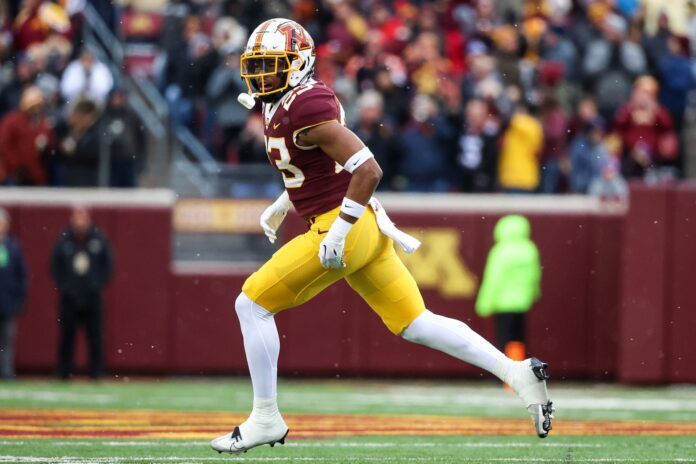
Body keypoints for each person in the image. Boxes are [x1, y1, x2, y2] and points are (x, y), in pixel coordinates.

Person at [210, 19, 554, 455]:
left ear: (298, 66)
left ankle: (265, 418)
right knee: (416, 323)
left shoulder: (304, 106)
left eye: (272, 66)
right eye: (257, 65)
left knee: (252, 304)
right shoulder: (286, 102)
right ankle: (516, 373)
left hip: (345, 227)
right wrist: (284, 203)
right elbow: (316, 167)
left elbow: (368, 169)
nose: (262, 75)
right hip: (362, 227)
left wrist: (338, 230)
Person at [51, 206, 114, 380]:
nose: (80, 222)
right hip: (69, 298)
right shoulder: (64, 240)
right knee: (67, 337)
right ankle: (64, 372)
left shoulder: (99, 240)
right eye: (77, 218)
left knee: (95, 337)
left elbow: (108, 266)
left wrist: (95, 285)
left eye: (83, 218)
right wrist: (66, 286)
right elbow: (55, 266)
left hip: (92, 297)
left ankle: (96, 372)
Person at [475, 215, 541, 363]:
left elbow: (493, 279)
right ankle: (518, 367)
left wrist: (485, 303)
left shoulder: (501, 250)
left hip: (502, 303)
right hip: (522, 302)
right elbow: (535, 275)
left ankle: (505, 371)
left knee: (503, 339)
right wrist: (534, 294)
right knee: (518, 339)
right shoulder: (529, 249)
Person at [0, 208, 28, 380]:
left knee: (8, 339)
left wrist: (19, 298)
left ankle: (6, 372)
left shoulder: (13, 246)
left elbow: (21, 274)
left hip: (7, 302)